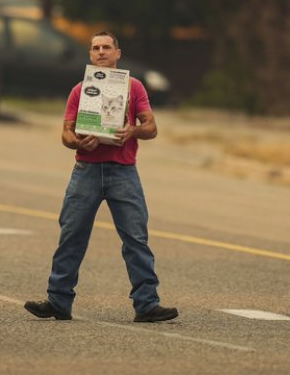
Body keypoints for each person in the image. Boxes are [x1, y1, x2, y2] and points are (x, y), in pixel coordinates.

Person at [25, 31, 178, 323]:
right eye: (95, 48)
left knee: (135, 237)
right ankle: (58, 301)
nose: (101, 52)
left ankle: (146, 305)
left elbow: (152, 128)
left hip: (123, 171)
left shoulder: (133, 87)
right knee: (71, 235)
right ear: (90, 55)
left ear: (118, 53)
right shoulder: (80, 90)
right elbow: (66, 133)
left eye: (107, 47)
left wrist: (132, 130)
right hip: (86, 171)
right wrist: (78, 142)